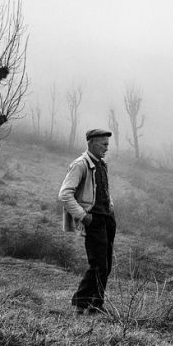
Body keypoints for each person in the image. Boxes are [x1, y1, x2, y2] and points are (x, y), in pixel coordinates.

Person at [59, 128, 116, 315]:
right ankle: (81, 303)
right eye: (104, 144)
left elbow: (103, 191)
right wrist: (84, 216)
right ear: (91, 143)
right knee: (98, 265)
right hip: (94, 221)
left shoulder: (101, 164)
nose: (107, 148)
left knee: (105, 265)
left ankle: (96, 306)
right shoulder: (80, 164)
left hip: (107, 220)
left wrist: (111, 209)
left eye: (107, 144)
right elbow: (65, 195)